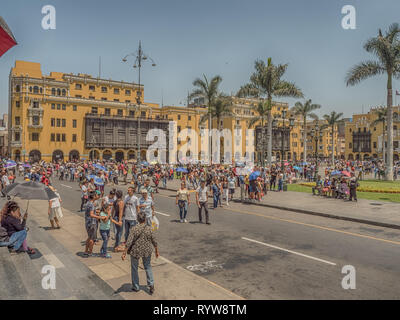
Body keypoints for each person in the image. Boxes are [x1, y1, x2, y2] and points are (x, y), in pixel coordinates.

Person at [122, 211, 159, 294]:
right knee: (148, 267)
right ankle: (151, 284)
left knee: (134, 268)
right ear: (145, 219)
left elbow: (128, 242)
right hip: (147, 251)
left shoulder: (134, 229)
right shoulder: (149, 228)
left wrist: (124, 252)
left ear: (137, 219)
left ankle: (136, 286)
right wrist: (156, 251)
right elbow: (154, 241)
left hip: (135, 251)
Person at [84, 192, 102, 257]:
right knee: (92, 239)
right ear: (94, 196)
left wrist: (96, 213)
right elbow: (91, 214)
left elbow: (90, 213)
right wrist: (100, 217)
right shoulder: (91, 204)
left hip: (87, 222)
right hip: (92, 223)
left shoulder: (87, 203)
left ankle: (86, 251)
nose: (97, 196)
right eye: (96, 195)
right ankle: (90, 252)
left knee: (89, 237)